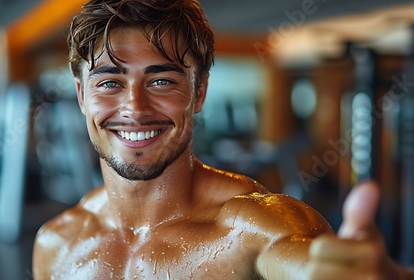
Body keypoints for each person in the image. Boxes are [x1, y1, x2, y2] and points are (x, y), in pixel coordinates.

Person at [32, 0, 414, 278]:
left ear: (199, 93)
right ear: (82, 97)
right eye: (110, 82)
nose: (134, 107)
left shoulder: (252, 229)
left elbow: (305, 262)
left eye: (161, 80)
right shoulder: (56, 244)